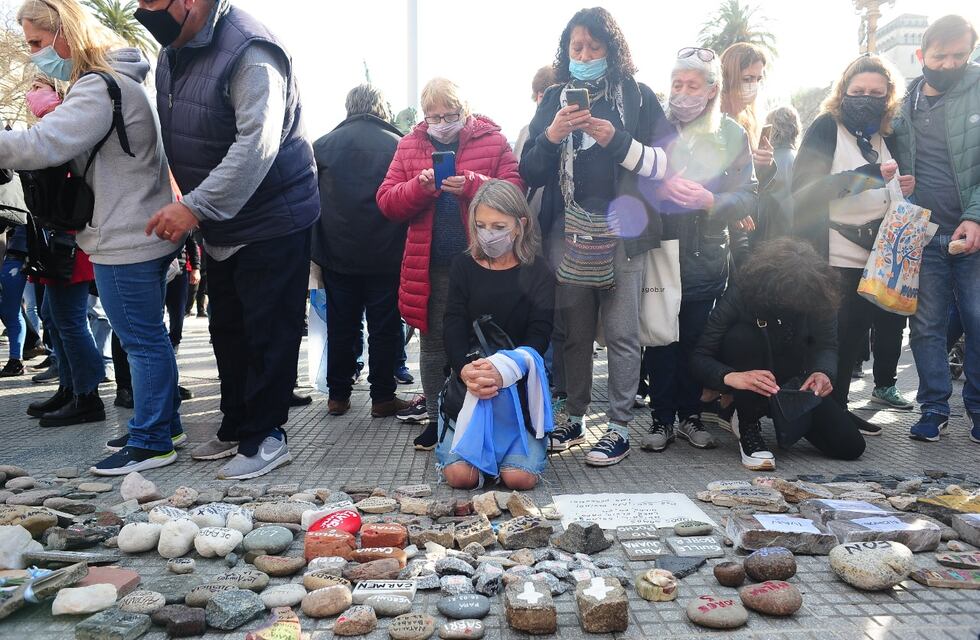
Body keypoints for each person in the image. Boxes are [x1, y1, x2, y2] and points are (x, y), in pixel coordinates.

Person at [136, 0, 320, 479]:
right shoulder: (173, 49)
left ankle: (266, 435)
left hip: (272, 215)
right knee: (227, 328)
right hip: (222, 221)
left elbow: (256, 144)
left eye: (152, 2)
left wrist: (194, 205)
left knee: (268, 330)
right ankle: (237, 424)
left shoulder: (250, 50)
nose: (143, 11)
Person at [3, 0, 182, 474]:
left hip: (124, 234)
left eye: (39, 43)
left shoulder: (97, 88)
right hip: (139, 227)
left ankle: (151, 440)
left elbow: (42, 143)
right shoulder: (120, 82)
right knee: (150, 337)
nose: (36, 55)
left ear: (65, 32)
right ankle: (165, 422)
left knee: (141, 341)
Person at [520, 7, 672, 466]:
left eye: (594, 46)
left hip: (624, 232)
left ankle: (620, 424)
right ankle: (575, 414)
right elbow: (528, 171)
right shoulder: (553, 98)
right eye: (576, 47)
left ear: (613, 49)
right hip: (567, 233)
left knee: (624, 332)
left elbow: (665, 167)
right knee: (574, 333)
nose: (584, 54)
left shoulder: (639, 97)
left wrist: (618, 141)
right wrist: (550, 136)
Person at [378, 76, 523, 450]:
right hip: (432, 266)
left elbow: (515, 190)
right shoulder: (410, 145)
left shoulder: (492, 140)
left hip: (485, 262)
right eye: (433, 116)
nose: (442, 122)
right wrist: (419, 187)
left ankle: (493, 414)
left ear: (465, 111)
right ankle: (436, 418)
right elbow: (387, 201)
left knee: (490, 339)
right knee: (434, 345)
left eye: (449, 114)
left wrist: (475, 184)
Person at [640, 46, 758, 454]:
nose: (683, 92)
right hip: (658, 250)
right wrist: (658, 188)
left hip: (706, 252)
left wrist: (712, 202)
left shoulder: (731, 133)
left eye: (692, 85)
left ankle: (690, 416)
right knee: (658, 338)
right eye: (677, 84)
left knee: (694, 340)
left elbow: (750, 194)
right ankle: (660, 418)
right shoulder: (653, 125)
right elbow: (628, 177)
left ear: (711, 90)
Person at [793, 53, 911, 424]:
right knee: (830, 338)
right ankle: (818, 412)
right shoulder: (827, 127)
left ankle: (838, 407)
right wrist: (869, 174)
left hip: (875, 257)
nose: (866, 98)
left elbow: (900, 185)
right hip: (831, 254)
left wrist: (905, 184)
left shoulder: (890, 133)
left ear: (889, 96)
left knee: (855, 339)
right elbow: (803, 192)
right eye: (857, 90)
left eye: (876, 92)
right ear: (843, 91)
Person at [691, 238, 867, 470]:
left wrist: (822, 372)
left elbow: (827, 346)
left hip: (794, 381)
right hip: (748, 372)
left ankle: (765, 409)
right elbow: (700, 356)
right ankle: (747, 422)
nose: (795, 306)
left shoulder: (818, 295)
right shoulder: (742, 293)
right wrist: (731, 378)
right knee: (741, 337)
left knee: (850, 446)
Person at [889, 15, 980, 443]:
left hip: (972, 236)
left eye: (959, 55)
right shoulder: (905, 102)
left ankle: (977, 410)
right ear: (922, 55)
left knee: (978, 321)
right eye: (940, 56)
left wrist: (976, 215)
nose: (949, 64)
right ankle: (933, 408)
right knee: (925, 327)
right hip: (923, 236)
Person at [437, 179, 554, 490]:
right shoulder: (463, 264)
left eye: (498, 225)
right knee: (462, 477)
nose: (489, 233)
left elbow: (540, 333)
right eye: (481, 225)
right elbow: (453, 323)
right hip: (470, 383)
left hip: (518, 384)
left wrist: (505, 370)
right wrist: (464, 369)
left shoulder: (539, 270)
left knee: (519, 479)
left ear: (520, 225)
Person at [312, 84, 410, 418]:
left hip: (338, 253)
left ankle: (338, 395)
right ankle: (382, 397)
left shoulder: (323, 146)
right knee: (384, 326)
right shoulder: (398, 145)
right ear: (382, 108)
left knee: (342, 324)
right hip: (387, 252)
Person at [719, 42, 770, 265]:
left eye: (758, 79)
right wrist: (736, 206)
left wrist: (764, 163)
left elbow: (751, 183)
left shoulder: (749, 119)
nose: (754, 85)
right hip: (719, 233)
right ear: (729, 77)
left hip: (744, 230)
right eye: (748, 78)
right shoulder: (715, 119)